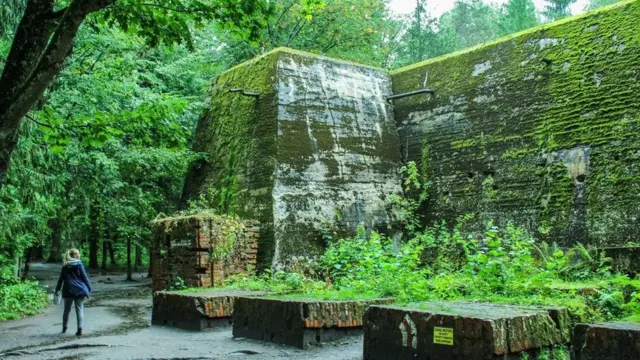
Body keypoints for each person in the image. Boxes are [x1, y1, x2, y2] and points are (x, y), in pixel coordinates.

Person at [55, 249, 91, 336]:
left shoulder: (65, 266)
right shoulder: (79, 265)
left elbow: (61, 279)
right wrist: (88, 288)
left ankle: (64, 328)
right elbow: (85, 277)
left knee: (66, 310)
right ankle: (80, 329)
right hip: (79, 290)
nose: (79, 255)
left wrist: (57, 289)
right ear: (75, 255)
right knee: (79, 310)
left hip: (68, 290)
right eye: (78, 253)